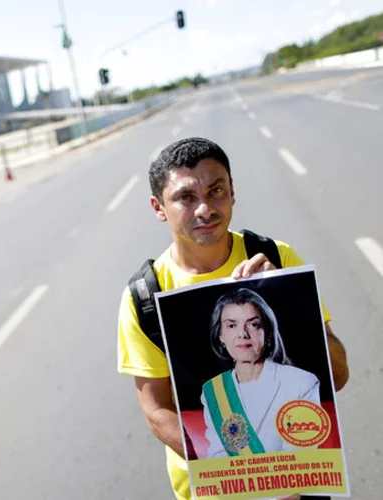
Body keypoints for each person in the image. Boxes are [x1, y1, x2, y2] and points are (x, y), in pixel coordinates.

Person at [116, 137, 349, 500]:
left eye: (217, 190)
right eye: (186, 197)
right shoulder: (146, 295)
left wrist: (289, 302)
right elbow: (157, 411)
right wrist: (239, 476)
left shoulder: (277, 257)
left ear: (233, 193)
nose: (206, 208)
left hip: (301, 488)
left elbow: (338, 375)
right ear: (158, 207)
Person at [200, 288, 321, 459]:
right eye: (232, 325)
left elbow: (300, 459)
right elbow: (218, 456)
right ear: (221, 335)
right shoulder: (213, 391)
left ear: (268, 332)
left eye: (253, 324)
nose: (242, 334)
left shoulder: (302, 383)